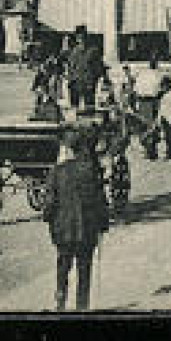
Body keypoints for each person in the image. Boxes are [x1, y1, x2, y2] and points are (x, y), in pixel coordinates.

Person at [43, 128, 111, 312]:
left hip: (63, 231)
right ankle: (82, 308)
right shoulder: (91, 172)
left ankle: (60, 303)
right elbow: (100, 202)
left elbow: (48, 205)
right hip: (87, 233)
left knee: (63, 268)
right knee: (84, 271)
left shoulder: (56, 172)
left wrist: (49, 220)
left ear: (69, 150)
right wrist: (103, 225)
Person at [154, 75, 171, 160]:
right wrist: (159, 118)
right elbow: (161, 107)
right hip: (164, 117)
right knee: (167, 137)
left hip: (170, 118)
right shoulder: (163, 94)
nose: (163, 87)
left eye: (164, 85)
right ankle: (170, 153)